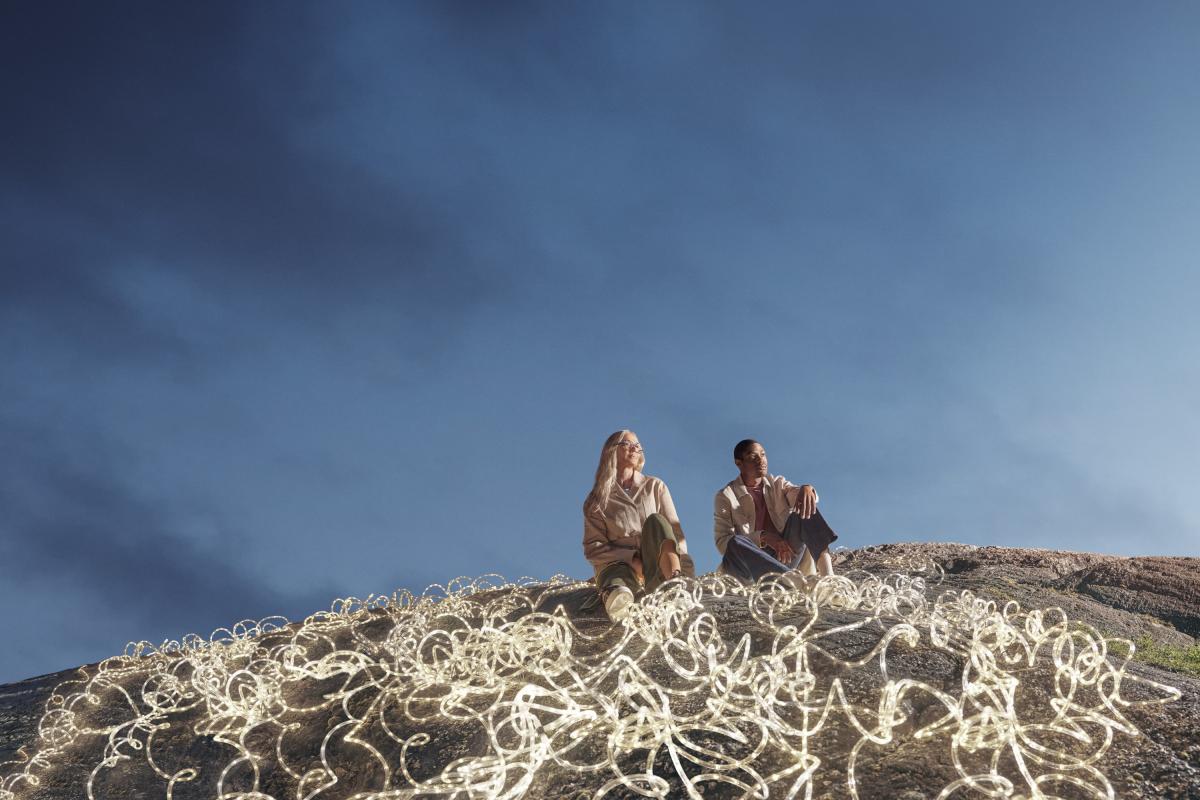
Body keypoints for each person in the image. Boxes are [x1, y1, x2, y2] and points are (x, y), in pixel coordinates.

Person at [582, 430, 695, 619]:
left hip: (658, 560)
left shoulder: (655, 486)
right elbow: (593, 547)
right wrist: (631, 558)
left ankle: (674, 582)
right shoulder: (596, 500)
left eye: (638, 445)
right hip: (621, 564)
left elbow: (675, 531)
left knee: (657, 521)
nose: (635, 448)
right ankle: (618, 597)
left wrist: (682, 561)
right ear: (611, 450)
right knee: (616, 577)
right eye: (626, 444)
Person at [713, 439, 838, 584]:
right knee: (734, 542)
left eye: (763, 455)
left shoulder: (776, 482)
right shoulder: (725, 496)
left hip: (784, 558)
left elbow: (798, 497)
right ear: (739, 463)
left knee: (804, 507)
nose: (761, 461)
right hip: (749, 569)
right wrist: (764, 537)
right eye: (753, 456)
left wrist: (806, 489)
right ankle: (795, 584)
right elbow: (722, 542)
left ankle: (829, 578)